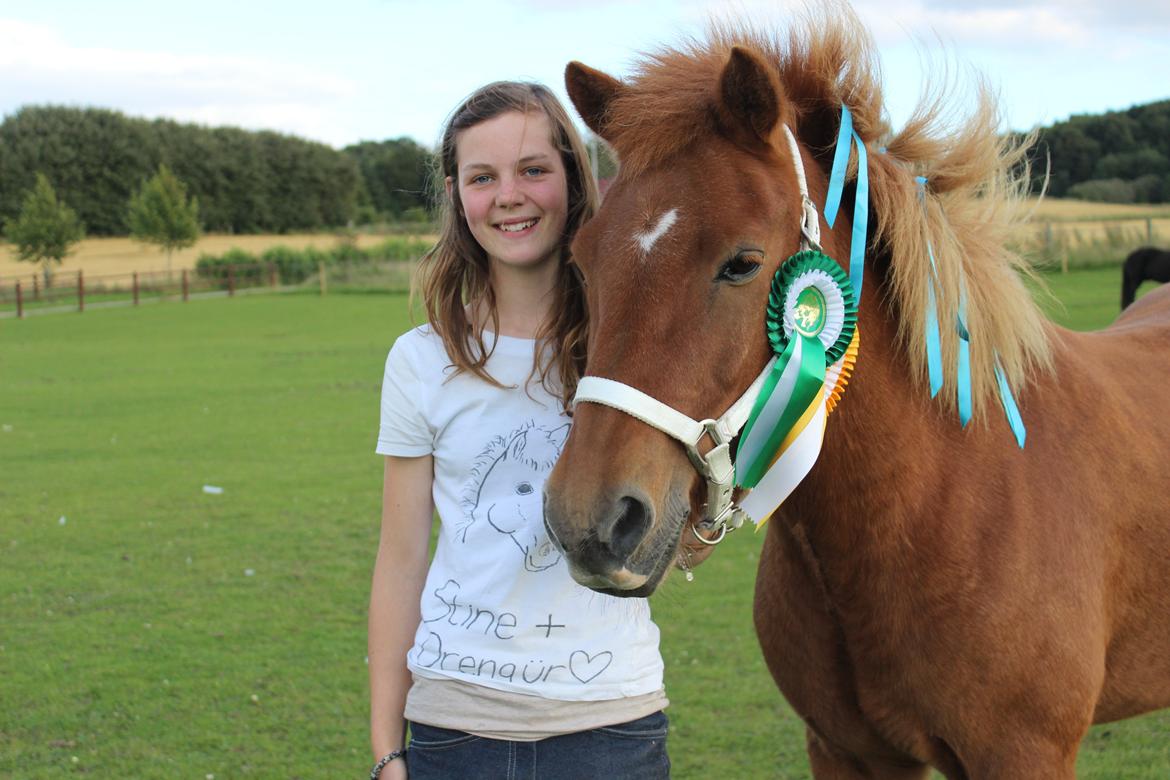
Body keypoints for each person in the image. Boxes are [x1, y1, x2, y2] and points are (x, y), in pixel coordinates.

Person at [368, 81, 670, 780]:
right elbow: (401, 559)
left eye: (533, 169)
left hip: (609, 723)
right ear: (455, 194)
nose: (510, 195)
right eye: (483, 177)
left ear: (575, 175)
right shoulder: (421, 359)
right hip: (452, 727)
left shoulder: (630, 352)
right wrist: (388, 748)